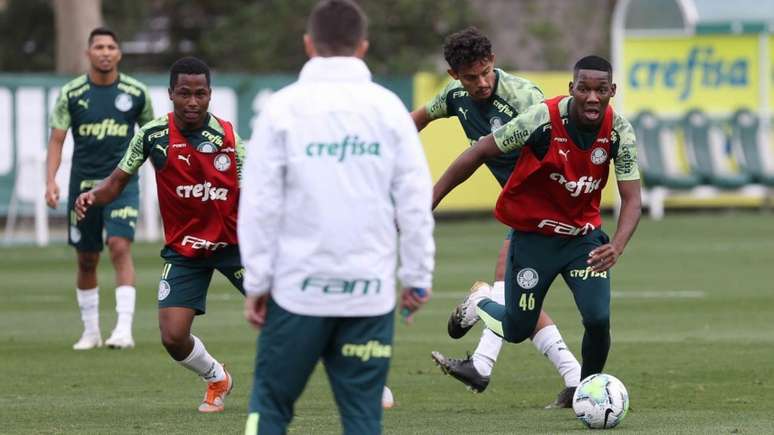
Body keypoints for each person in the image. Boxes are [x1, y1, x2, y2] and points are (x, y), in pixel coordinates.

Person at [240, 1, 435, 434]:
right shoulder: (388, 109)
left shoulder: (281, 108)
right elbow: (415, 201)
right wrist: (418, 276)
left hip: (297, 293)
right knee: (363, 418)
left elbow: (258, 205)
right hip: (368, 294)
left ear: (308, 44)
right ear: (362, 47)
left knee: (270, 409)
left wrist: (257, 282)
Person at [433, 55, 641, 394]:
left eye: (601, 90)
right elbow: (478, 152)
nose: (592, 97)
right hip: (533, 239)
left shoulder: (619, 131)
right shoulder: (541, 119)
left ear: (612, 91)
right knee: (516, 329)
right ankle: (481, 301)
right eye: (584, 89)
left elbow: (632, 198)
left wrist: (616, 244)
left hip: (582, 240)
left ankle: (585, 391)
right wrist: (431, 200)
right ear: (571, 88)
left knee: (598, 320)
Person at [412, 26, 581, 406]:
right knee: (520, 296)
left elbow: (560, 148)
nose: (483, 82)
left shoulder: (524, 96)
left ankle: (480, 326)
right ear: (455, 75)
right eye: (471, 77)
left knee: (510, 289)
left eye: (487, 71)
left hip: (553, 204)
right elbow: (418, 118)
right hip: (526, 209)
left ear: (493, 62)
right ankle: (573, 378)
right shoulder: (455, 96)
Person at [74, 57, 245, 413]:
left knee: (289, 315)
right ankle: (216, 377)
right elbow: (116, 182)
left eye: (200, 94)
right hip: (186, 250)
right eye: (184, 93)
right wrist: (93, 195)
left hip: (236, 245)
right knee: (172, 336)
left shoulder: (229, 138)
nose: (192, 102)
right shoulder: (152, 135)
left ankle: (359, 380)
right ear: (171, 94)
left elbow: (256, 192)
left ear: (210, 95)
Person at [45, 27, 154, 350]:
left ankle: (123, 329)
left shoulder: (136, 93)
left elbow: (152, 136)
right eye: (99, 47)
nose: (105, 52)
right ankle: (91, 331)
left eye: (110, 47)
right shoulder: (71, 93)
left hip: (122, 185)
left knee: (119, 246)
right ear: (88, 53)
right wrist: (50, 180)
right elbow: (57, 140)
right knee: (87, 258)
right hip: (83, 189)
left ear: (119, 53)